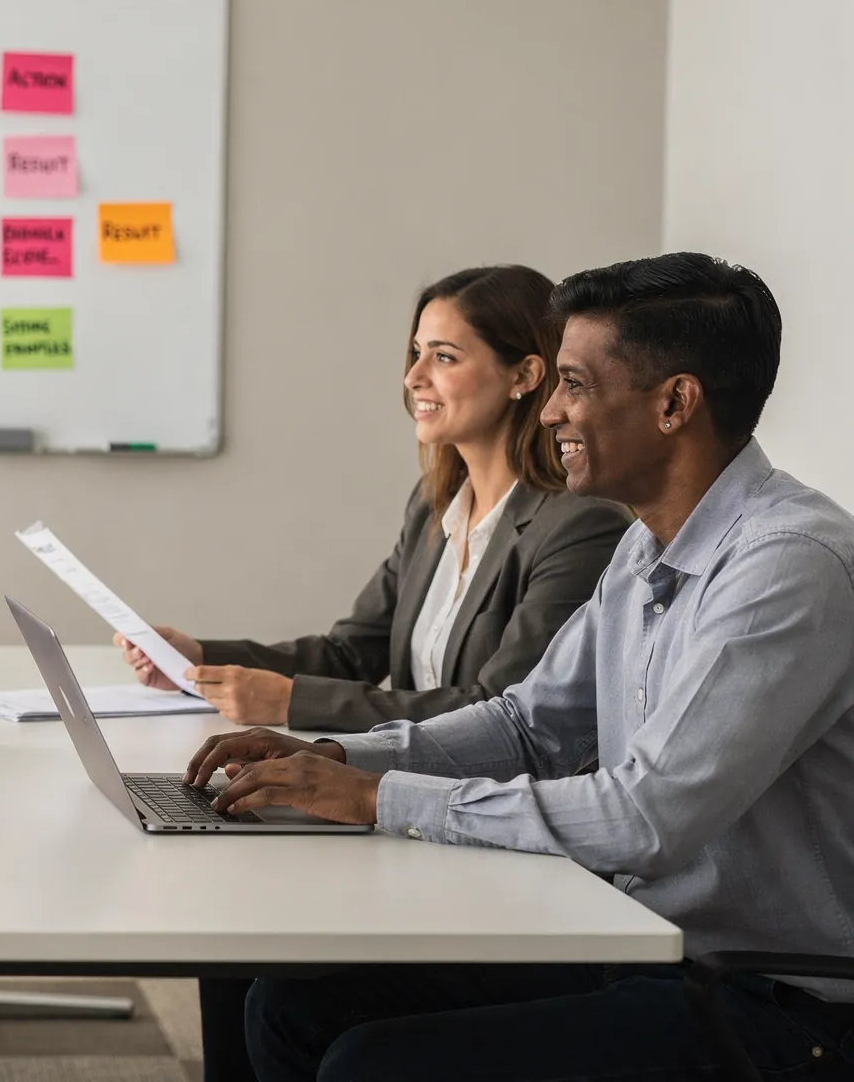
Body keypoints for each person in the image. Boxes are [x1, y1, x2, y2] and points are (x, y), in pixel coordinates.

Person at [186, 252, 854, 1081]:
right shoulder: (649, 544)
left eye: (574, 385)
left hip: (767, 998)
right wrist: (339, 758)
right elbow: (527, 723)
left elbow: (646, 817)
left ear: (675, 402)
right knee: (286, 1005)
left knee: (374, 1064)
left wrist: (378, 798)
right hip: (635, 936)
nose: (551, 415)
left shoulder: (789, 565)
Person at [120, 266, 631, 1082]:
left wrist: (294, 707)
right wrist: (203, 657)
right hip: (407, 814)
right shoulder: (438, 505)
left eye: (442, 357)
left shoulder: (580, 528)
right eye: (413, 354)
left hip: (489, 838)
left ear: (524, 376)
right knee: (230, 940)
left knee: (263, 952)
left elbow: (503, 711)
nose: (413, 380)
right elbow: (356, 648)